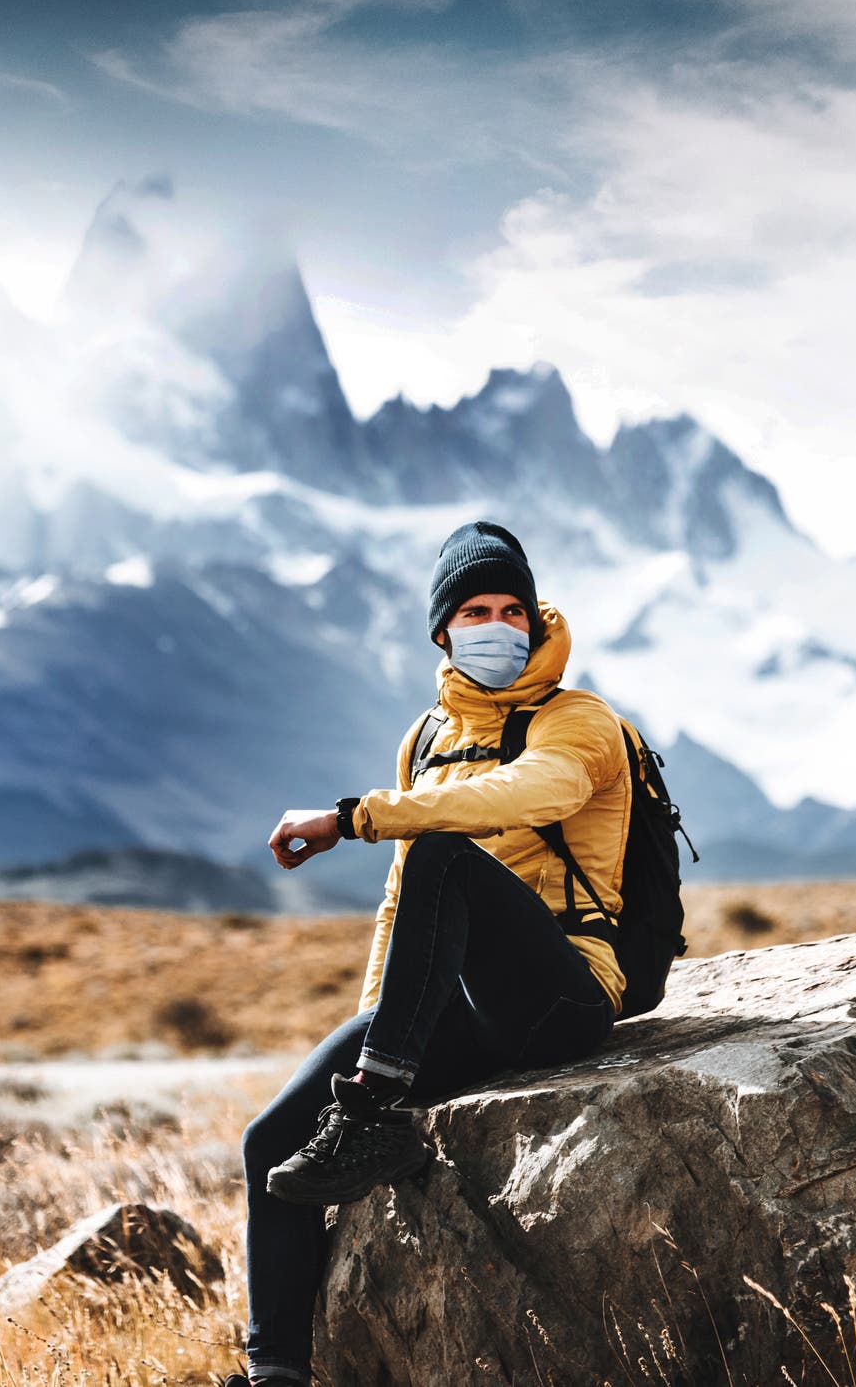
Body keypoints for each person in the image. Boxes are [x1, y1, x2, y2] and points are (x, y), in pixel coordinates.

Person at [222, 520, 633, 1387]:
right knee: (270, 1143)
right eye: (476, 610)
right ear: (443, 629)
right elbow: (402, 898)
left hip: (561, 996)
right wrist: (378, 1022)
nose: (499, 625)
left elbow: (526, 793)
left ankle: (368, 1117)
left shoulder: (582, 722)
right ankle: (276, 1375)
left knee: (449, 847)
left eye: (513, 608)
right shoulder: (427, 737)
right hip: (460, 1013)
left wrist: (353, 816)